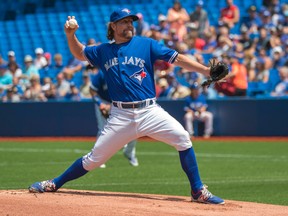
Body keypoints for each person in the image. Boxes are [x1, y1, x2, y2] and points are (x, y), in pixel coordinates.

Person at [28, 8, 225, 205]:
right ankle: (54, 183)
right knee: (93, 160)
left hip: (149, 111)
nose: (130, 24)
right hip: (120, 115)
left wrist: (205, 70)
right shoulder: (103, 50)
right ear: (113, 26)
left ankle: (197, 191)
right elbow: (80, 52)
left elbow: (177, 58)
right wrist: (71, 35)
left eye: (131, 21)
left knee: (183, 138)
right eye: (124, 22)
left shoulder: (146, 44)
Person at [89, 69, 139, 167]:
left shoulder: (124, 71)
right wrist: (101, 104)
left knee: (134, 128)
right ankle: (99, 158)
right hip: (103, 101)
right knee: (103, 129)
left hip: (120, 102)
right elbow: (92, 91)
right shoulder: (102, 73)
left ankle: (129, 152)